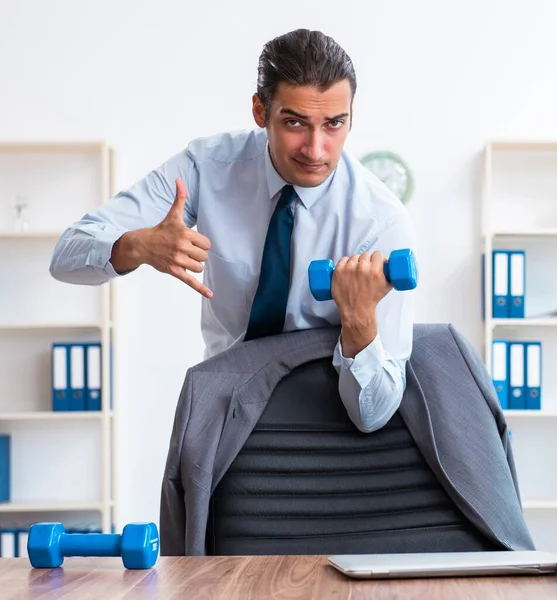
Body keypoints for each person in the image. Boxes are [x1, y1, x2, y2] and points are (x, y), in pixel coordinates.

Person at [50, 28, 415, 433]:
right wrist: (135, 245)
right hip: (227, 413)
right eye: (295, 122)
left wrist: (360, 319)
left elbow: (374, 415)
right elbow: (66, 256)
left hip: (327, 423)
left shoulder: (380, 221)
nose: (315, 149)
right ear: (261, 112)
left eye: (334, 124)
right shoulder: (206, 167)